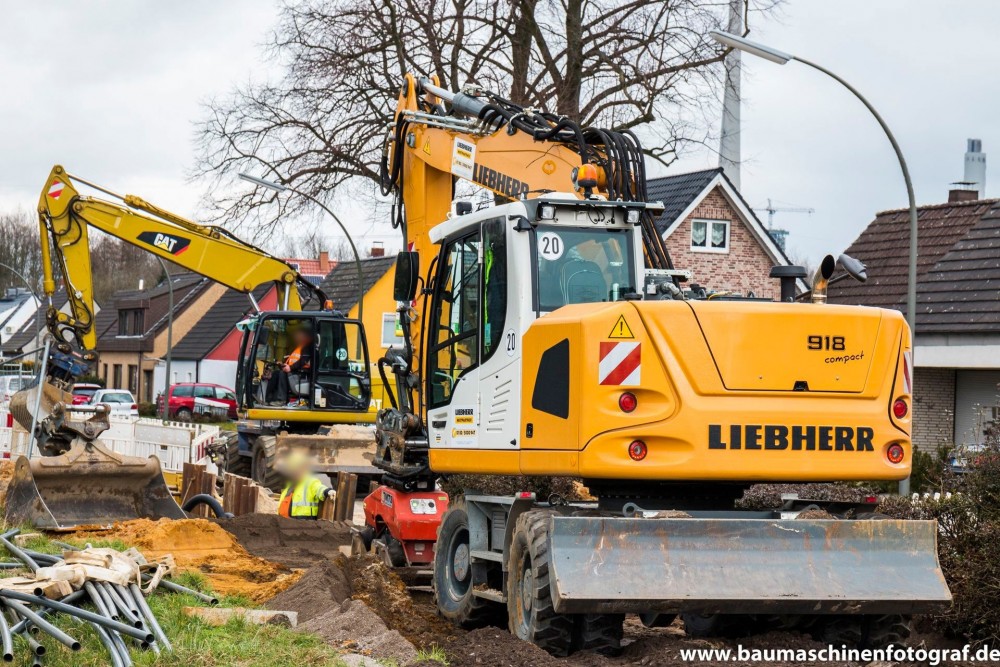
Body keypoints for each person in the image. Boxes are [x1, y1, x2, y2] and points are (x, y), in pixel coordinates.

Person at [276, 450, 336, 520]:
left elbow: (319, 488)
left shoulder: (310, 481)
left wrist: (327, 491)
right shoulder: (288, 488)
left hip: (306, 524)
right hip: (287, 524)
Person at [267, 323, 315, 406]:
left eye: (298, 335)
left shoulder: (308, 346)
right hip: (295, 370)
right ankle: (269, 399)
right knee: (275, 373)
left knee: (282, 374)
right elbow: (293, 359)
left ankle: (281, 400)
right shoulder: (300, 346)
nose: (296, 337)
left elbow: (304, 360)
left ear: (304, 335)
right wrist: (283, 364)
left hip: (302, 373)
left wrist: (291, 368)